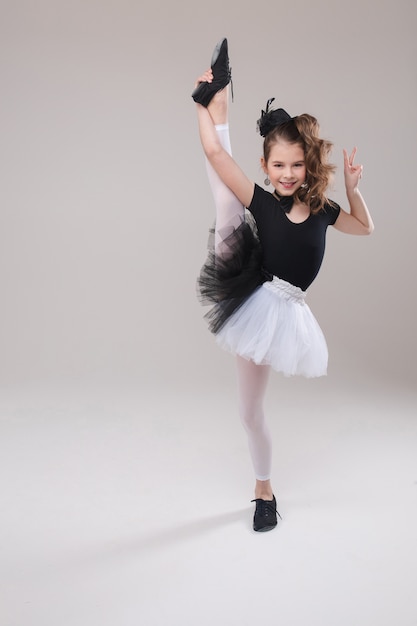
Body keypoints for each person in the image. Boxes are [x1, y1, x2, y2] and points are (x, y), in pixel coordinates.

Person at [192, 38, 374, 532]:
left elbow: (365, 228)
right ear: (266, 167)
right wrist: (200, 109)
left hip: (285, 309)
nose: (288, 174)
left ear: (307, 164)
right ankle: (220, 103)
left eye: (296, 165)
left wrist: (354, 190)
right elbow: (213, 152)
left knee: (252, 411)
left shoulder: (322, 209)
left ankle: (262, 487)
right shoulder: (264, 202)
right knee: (228, 204)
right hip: (249, 289)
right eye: (278, 166)